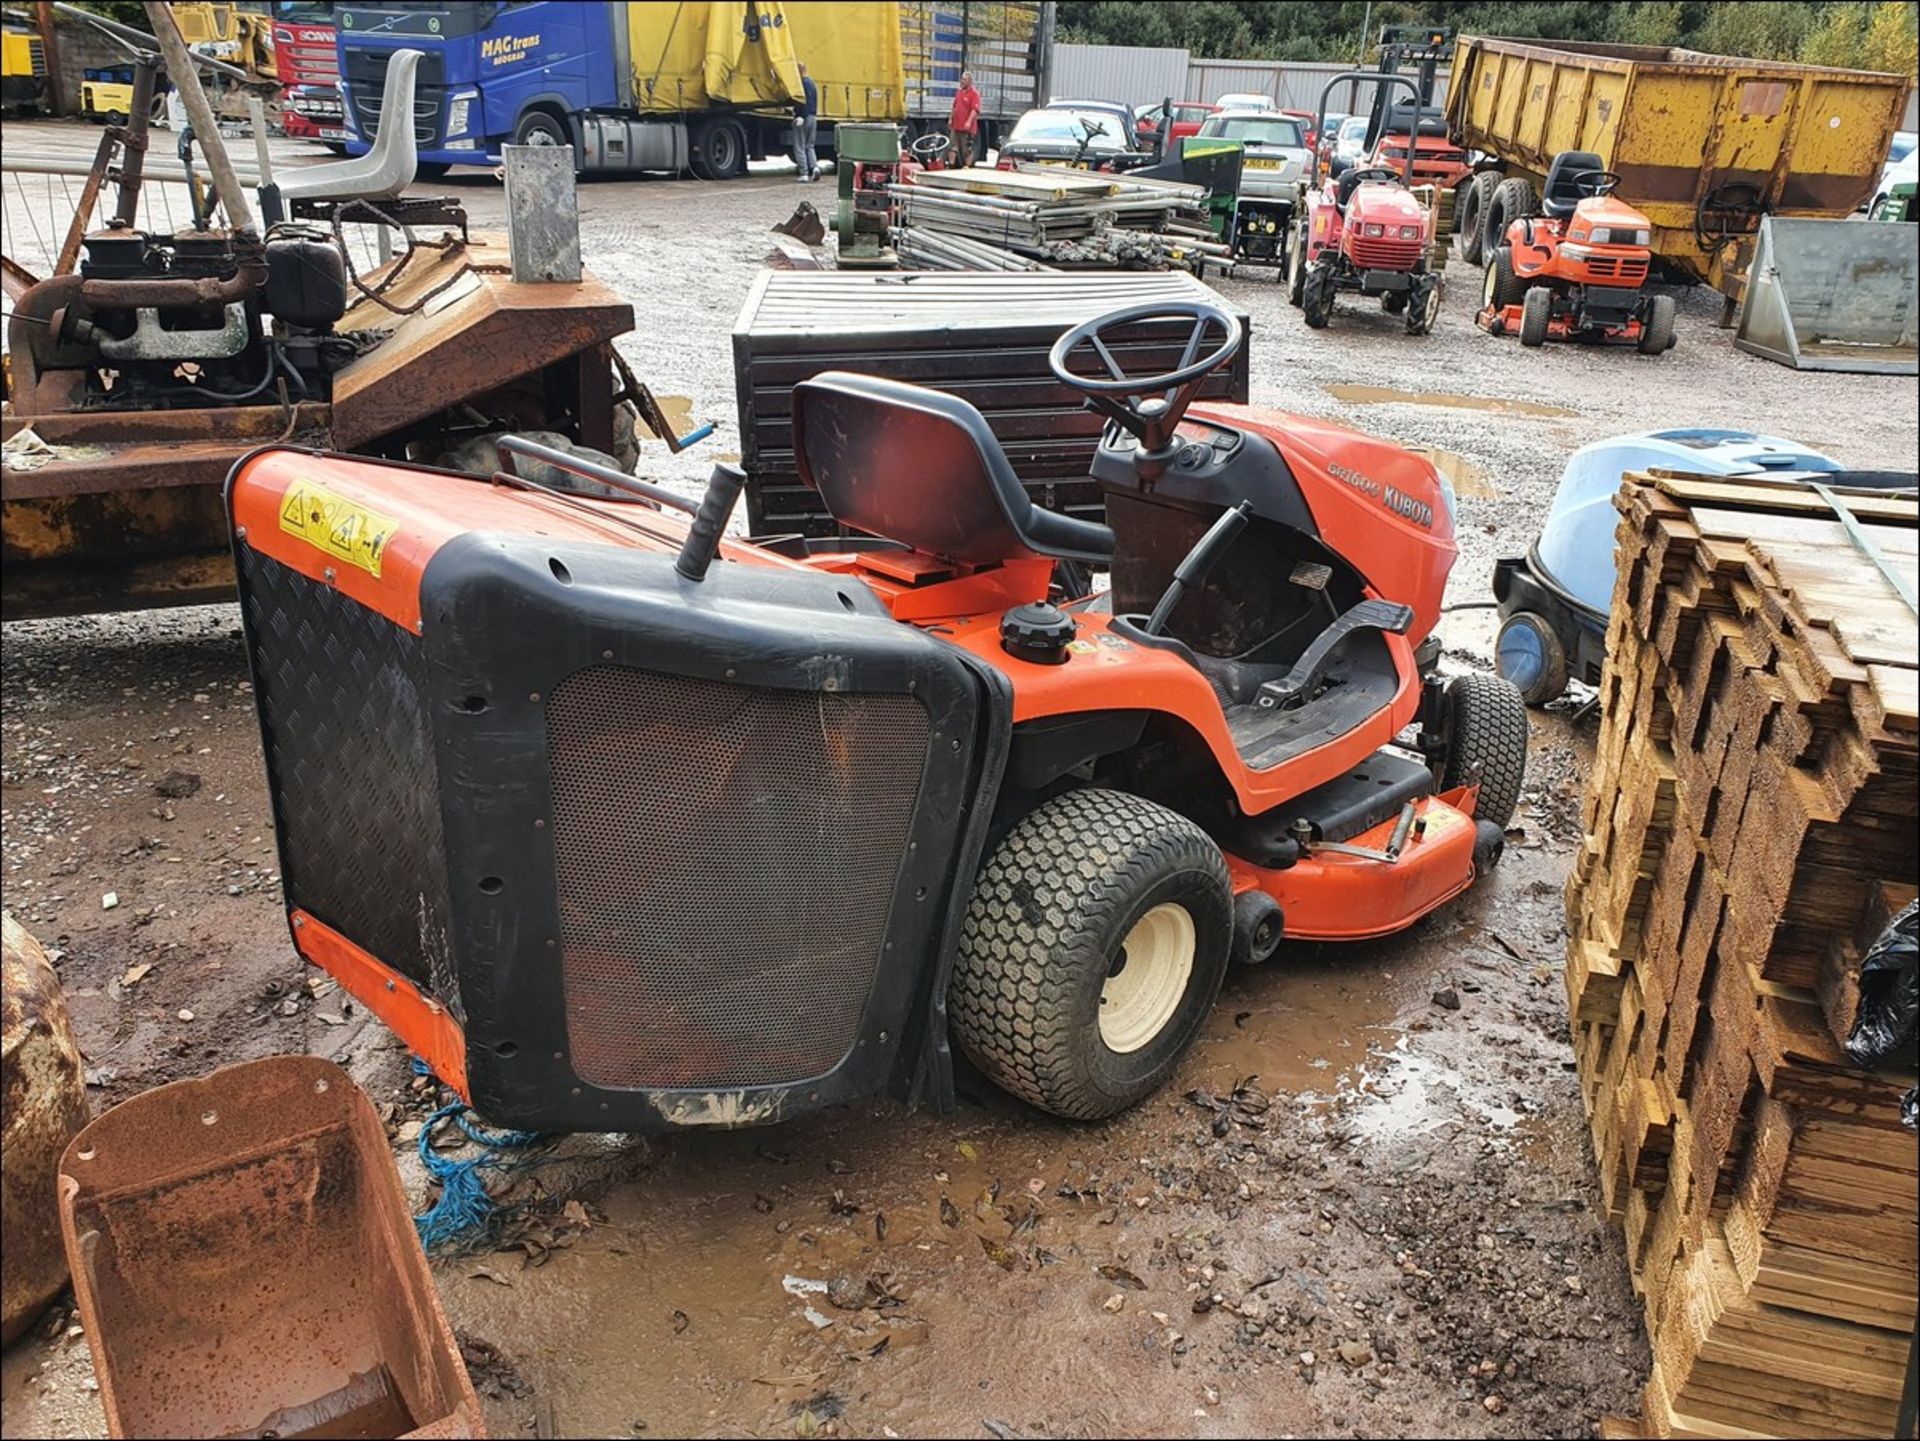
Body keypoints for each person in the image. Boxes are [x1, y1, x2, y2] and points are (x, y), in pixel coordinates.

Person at [792, 60, 819, 182]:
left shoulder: (802, 84)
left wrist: (800, 115)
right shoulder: (812, 83)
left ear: (798, 71)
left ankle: (804, 173)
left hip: (804, 117)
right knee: (810, 146)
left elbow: (804, 101)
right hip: (813, 117)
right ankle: (815, 168)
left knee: (800, 146)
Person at [949, 71, 981, 169]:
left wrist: (968, 122)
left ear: (970, 81)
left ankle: (967, 166)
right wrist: (950, 119)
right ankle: (951, 164)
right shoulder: (959, 92)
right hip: (956, 126)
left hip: (967, 128)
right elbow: (955, 107)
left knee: (967, 149)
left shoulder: (974, 94)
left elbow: (975, 110)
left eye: (964, 79)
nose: (961, 81)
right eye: (961, 79)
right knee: (952, 147)